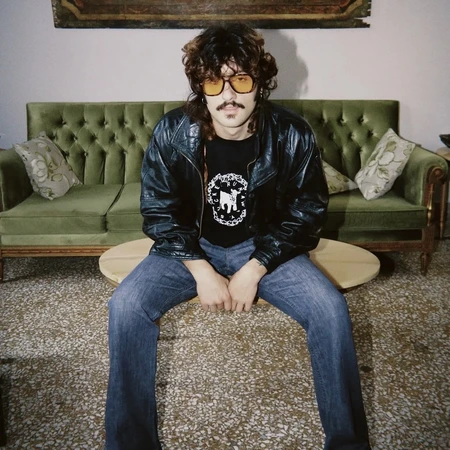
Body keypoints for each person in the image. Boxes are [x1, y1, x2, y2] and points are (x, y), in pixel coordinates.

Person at [105, 24, 371, 450]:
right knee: (126, 306)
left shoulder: (292, 133)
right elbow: (158, 212)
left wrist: (255, 268)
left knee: (330, 309)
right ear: (201, 88)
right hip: (190, 246)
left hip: (264, 245)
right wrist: (200, 270)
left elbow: (307, 212)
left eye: (241, 80)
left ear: (260, 84)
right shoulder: (173, 131)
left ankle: (348, 444)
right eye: (215, 82)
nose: (228, 95)